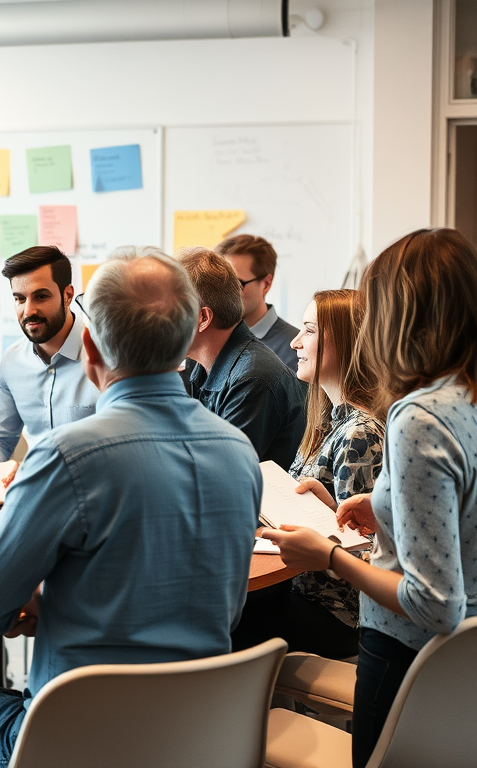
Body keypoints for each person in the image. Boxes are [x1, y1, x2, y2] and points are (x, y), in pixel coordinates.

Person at [0, 250, 262, 768]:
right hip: (199, 733)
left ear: (88, 346)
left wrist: (34, 593)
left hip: (79, 740)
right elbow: (216, 602)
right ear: (185, 342)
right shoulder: (239, 452)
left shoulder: (69, 455)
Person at [262, 228, 477, 768]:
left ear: (400, 313)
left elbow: (435, 603)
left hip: (408, 649)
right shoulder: (465, 399)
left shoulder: (417, 416)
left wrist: (328, 556)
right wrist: (383, 517)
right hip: (457, 666)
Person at [231, 289, 384, 658]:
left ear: (348, 342)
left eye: (310, 331)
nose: (296, 342)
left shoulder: (358, 433)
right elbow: (357, 529)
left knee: (223, 624)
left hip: (338, 615)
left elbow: (370, 560)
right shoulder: (329, 420)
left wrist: (325, 543)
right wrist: (329, 509)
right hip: (309, 596)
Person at [0, 246, 99, 481]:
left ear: (68, 295)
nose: (29, 311)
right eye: (19, 299)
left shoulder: (107, 354)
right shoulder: (12, 362)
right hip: (39, 493)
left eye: (41, 296)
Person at [177, 246, 307, 470]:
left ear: (203, 318)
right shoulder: (201, 367)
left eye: (167, 310)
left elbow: (215, 474)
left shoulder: (253, 379)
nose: (158, 322)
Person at [217, 234, 299, 369]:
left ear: (266, 284)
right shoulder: (211, 339)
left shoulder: (296, 350)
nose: (225, 291)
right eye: (220, 282)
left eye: (236, 283)